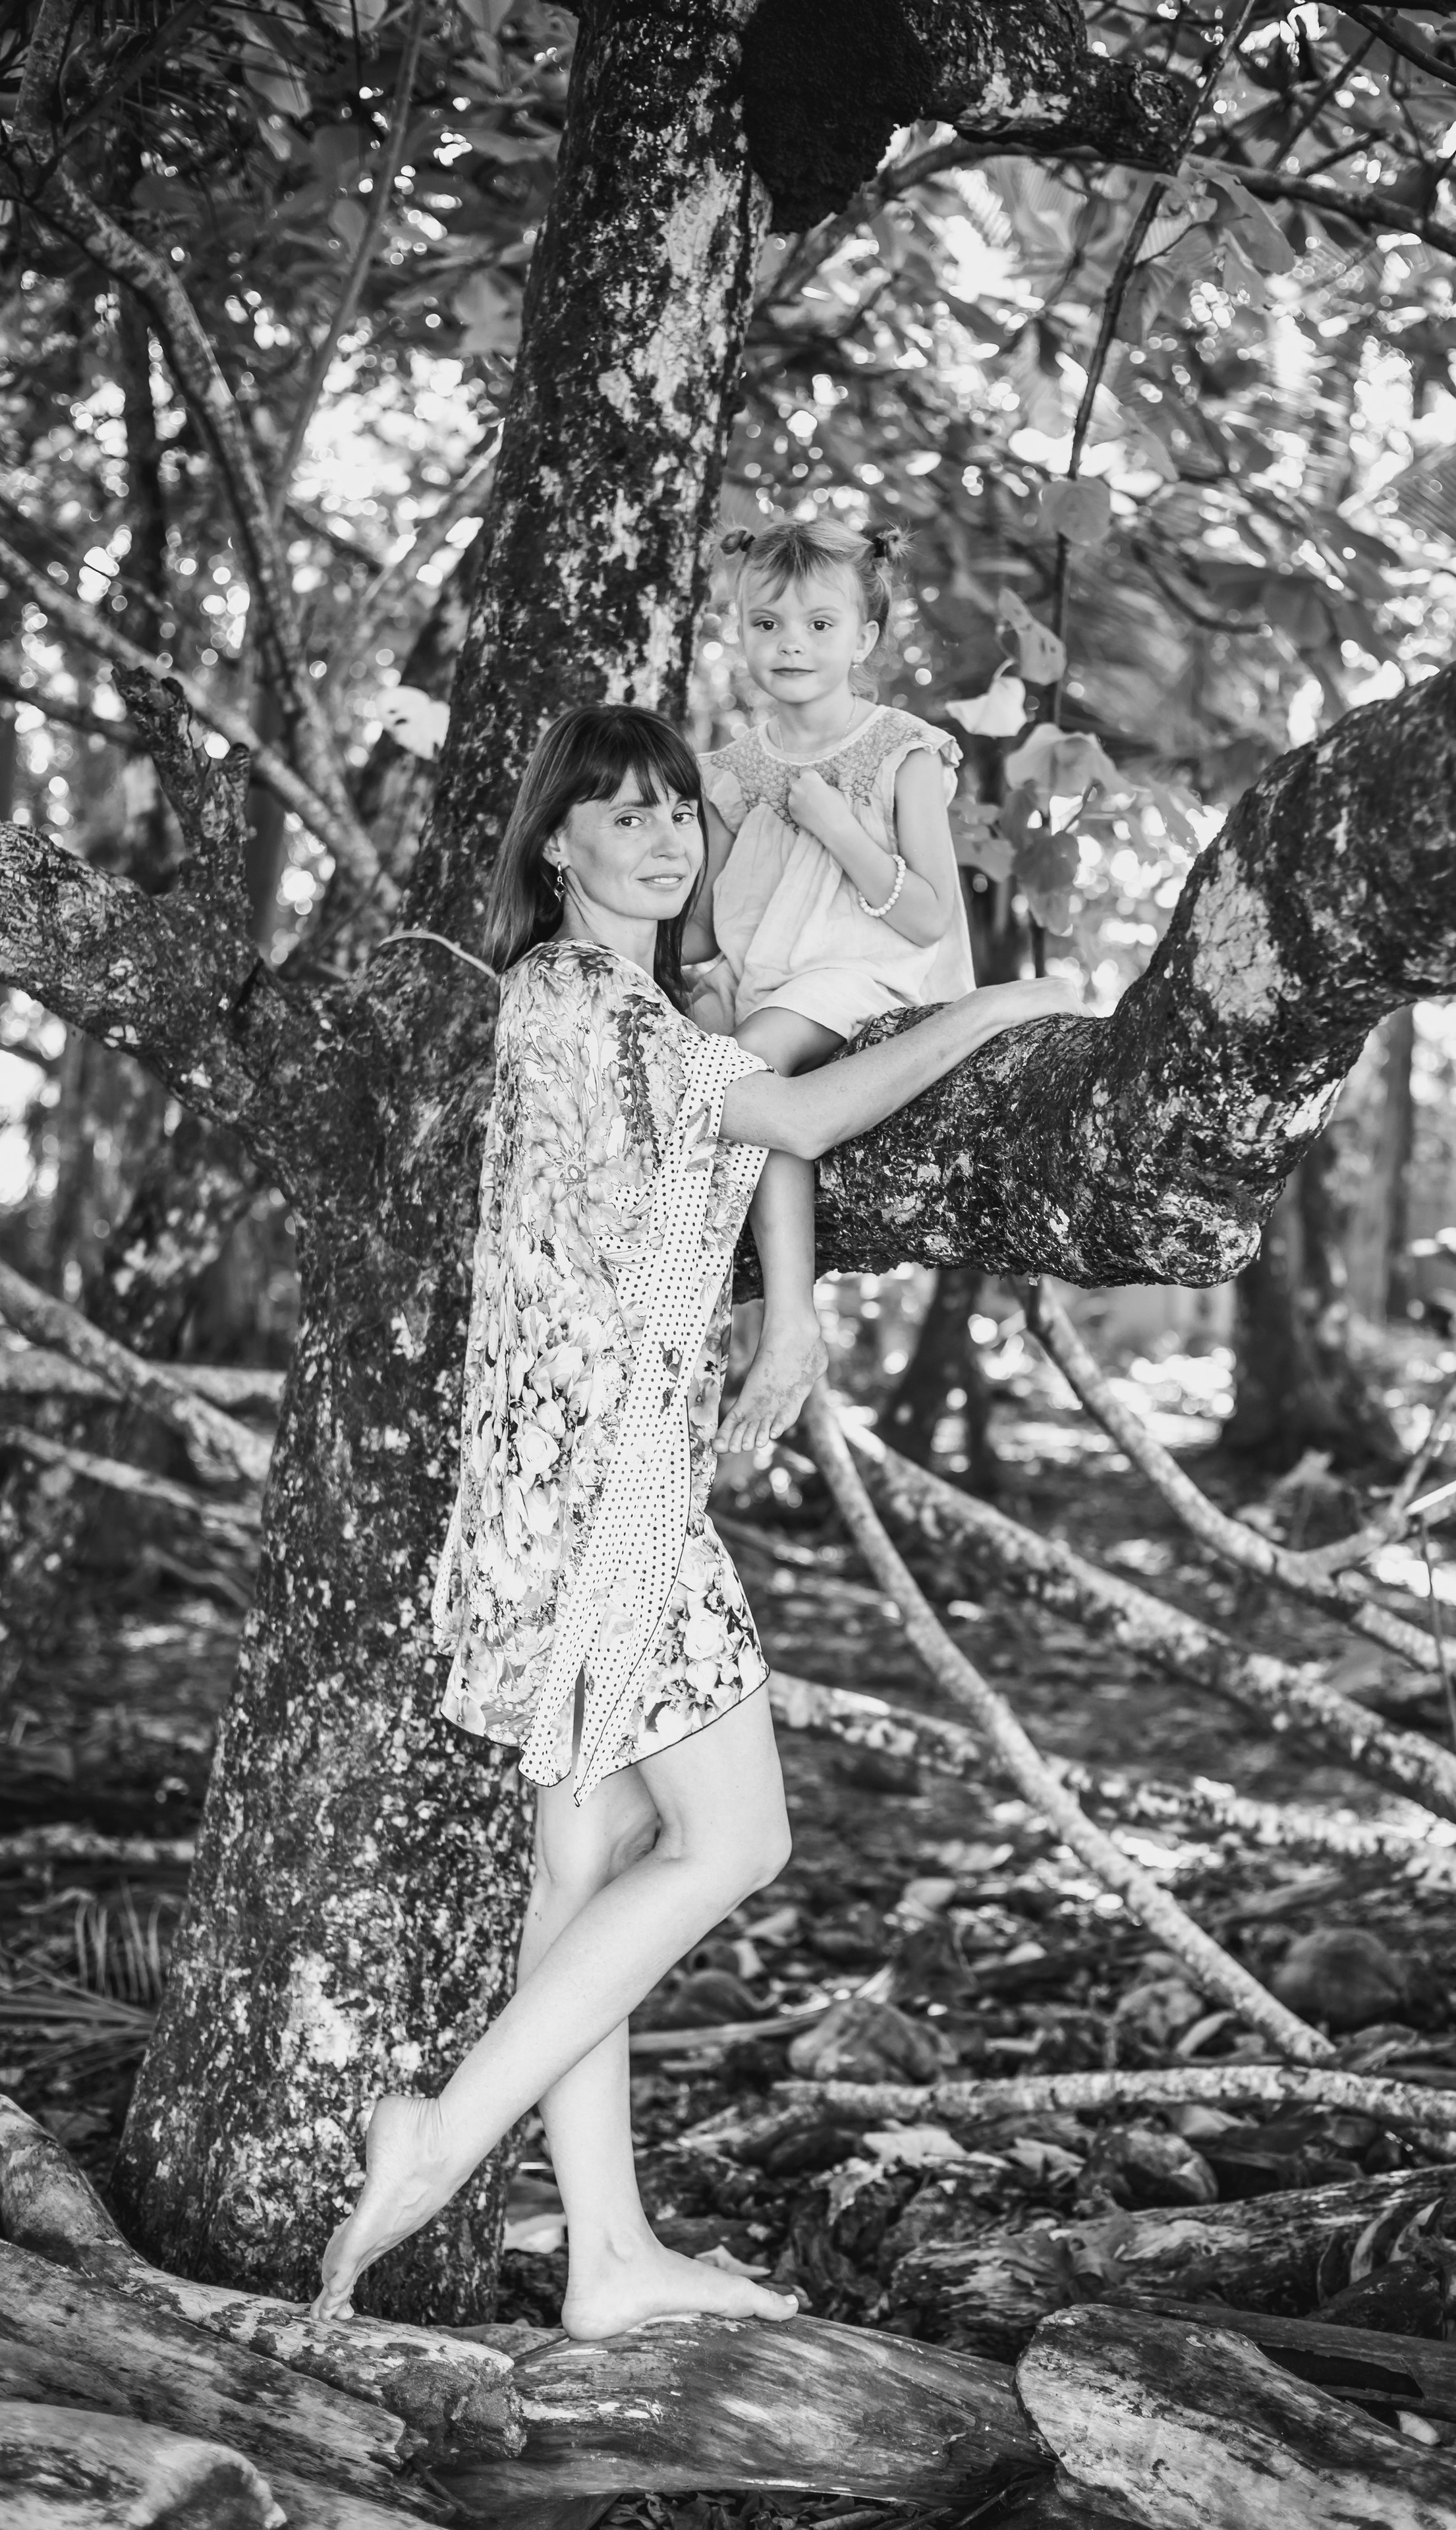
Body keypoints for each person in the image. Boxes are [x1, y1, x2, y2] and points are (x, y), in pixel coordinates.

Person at [311, 702, 1075, 2330]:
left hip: (567, 1472)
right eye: (621, 814)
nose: (662, 839)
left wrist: (790, 1316)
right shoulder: (579, 1006)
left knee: (583, 1867)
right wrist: (1005, 1004)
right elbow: (795, 1120)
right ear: (555, 847)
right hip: (601, 1489)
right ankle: (442, 2137)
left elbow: (754, 1124)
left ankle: (605, 2259)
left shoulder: (638, 1013)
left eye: (677, 814)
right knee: (735, 1837)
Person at [692, 517, 976, 1455]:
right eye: (766, 623)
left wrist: (837, 825)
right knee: (701, 1057)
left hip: (865, 974)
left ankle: (791, 1323)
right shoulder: (732, 769)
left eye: (820, 625)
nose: (791, 646)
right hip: (763, 978)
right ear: (738, 629)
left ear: (865, 637)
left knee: (753, 1071)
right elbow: (706, 923)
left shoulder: (901, 750)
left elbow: (930, 914)